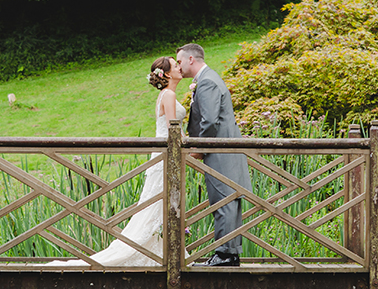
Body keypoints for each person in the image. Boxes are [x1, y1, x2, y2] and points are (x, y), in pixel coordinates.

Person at [45, 56, 186, 267]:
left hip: (162, 155)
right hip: (166, 156)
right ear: (166, 74)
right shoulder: (169, 94)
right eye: (176, 65)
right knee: (156, 204)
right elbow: (172, 131)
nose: (180, 67)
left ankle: (162, 252)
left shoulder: (167, 94)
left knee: (158, 204)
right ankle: (150, 252)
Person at [176, 43, 252, 267]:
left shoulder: (207, 82)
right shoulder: (210, 78)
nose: (179, 66)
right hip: (225, 149)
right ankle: (229, 253)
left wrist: (200, 148)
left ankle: (225, 255)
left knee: (224, 200)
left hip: (220, 151)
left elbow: (208, 121)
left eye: (180, 61)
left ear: (191, 59)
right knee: (228, 199)